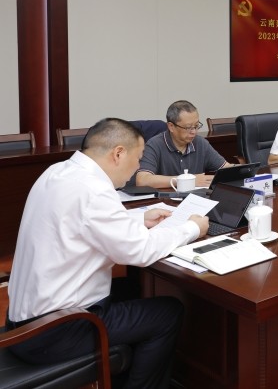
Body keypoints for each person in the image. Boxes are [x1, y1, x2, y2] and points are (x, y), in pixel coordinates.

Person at [7, 118, 209, 389]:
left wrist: (139, 219)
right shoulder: (93, 190)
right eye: (138, 158)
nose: (137, 168)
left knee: (132, 288)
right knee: (167, 313)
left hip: (22, 321)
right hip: (54, 331)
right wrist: (192, 228)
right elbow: (141, 251)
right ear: (118, 153)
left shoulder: (58, 171)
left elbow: (81, 223)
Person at [136, 100, 232, 188]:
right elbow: (142, 180)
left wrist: (239, 169)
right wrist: (187, 181)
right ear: (171, 126)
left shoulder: (200, 143)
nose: (194, 132)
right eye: (188, 127)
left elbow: (226, 168)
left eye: (196, 126)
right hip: (166, 199)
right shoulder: (154, 145)